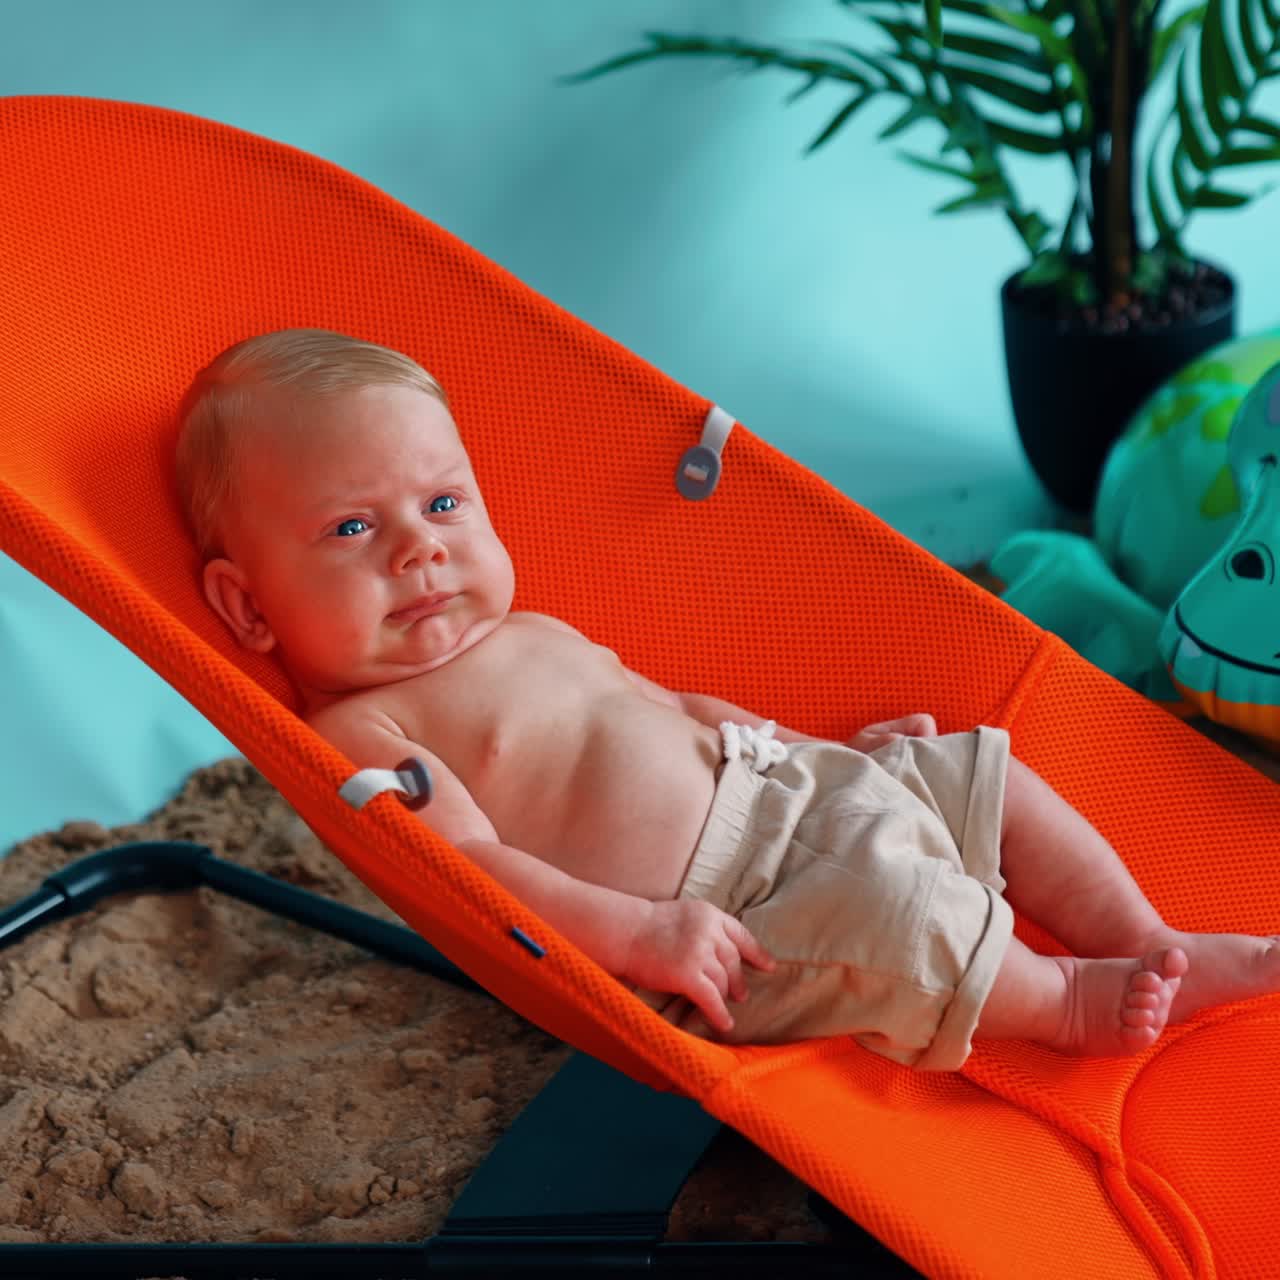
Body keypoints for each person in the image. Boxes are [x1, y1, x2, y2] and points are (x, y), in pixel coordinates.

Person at [174, 328, 1280, 1071]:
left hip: (782, 788)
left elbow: (676, 706)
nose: (420, 548)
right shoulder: (365, 729)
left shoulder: (525, 629)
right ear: (248, 607)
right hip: (733, 915)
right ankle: (1070, 1000)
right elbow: (472, 872)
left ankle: (1145, 937)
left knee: (983, 768)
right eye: (352, 527)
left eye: (444, 502)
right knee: (905, 918)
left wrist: (829, 754)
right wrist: (640, 933)